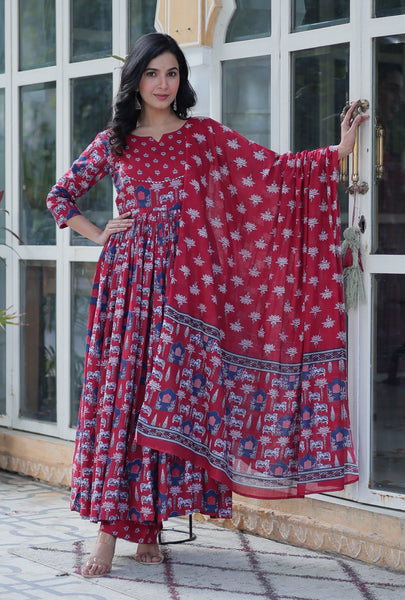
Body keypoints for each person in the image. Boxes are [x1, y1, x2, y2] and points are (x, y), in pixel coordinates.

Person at [47, 32, 367, 578]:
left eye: (172, 73)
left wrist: (336, 153)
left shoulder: (202, 136)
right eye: (152, 73)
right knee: (128, 400)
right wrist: (101, 234)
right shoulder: (116, 141)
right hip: (129, 288)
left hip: (189, 288)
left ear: (182, 79)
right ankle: (108, 534)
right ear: (136, 80)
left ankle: (150, 525)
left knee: (169, 401)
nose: (162, 84)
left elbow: (270, 174)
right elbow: (61, 196)